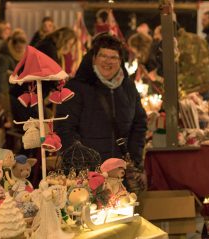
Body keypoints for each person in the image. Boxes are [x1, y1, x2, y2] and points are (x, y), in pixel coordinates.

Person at [56, 34, 147, 166]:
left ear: (120, 60)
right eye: (103, 56)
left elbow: (139, 123)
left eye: (113, 57)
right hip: (87, 172)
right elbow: (64, 128)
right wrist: (79, 162)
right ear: (94, 58)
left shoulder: (128, 87)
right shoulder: (76, 87)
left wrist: (134, 157)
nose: (108, 61)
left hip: (119, 171)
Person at [0, 29, 28, 126]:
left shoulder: (24, 55)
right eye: (18, 47)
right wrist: (7, 113)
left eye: (22, 46)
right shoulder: (3, 58)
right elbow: (2, 86)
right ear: (13, 44)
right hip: (10, 96)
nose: (20, 49)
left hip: (19, 92)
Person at [177, 26, 209, 98]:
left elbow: (173, 68)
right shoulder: (200, 39)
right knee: (205, 108)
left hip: (188, 90)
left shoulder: (176, 43)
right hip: (205, 86)